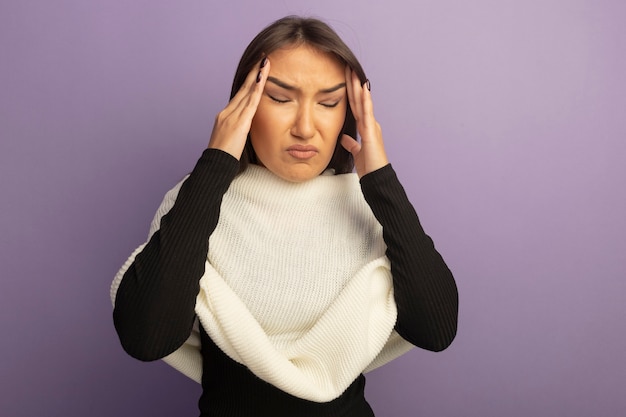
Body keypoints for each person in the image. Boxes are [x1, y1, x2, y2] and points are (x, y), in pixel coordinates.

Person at [111, 15, 458, 417]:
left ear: (348, 113)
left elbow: (436, 330)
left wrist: (380, 180)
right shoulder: (195, 202)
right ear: (245, 105)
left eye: (328, 103)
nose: (305, 128)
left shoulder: (369, 207)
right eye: (280, 98)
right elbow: (146, 338)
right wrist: (216, 163)